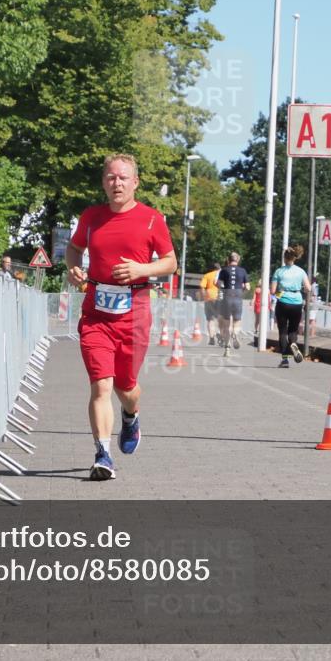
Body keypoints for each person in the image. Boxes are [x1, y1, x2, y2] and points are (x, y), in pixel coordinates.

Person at [66, 154, 176, 481]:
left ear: (135, 183)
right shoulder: (91, 217)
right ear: (104, 182)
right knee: (101, 385)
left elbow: (170, 263)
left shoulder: (152, 219)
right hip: (95, 313)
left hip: (134, 314)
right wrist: (73, 267)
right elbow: (74, 249)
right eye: (111, 178)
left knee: (126, 386)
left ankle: (131, 414)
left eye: (124, 178)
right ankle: (103, 455)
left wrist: (142, 268)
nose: (117, 183)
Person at [270, 245, 311, 368]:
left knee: (283, 331)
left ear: (284, 258)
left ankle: (285, 360)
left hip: (282, 302)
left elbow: (272, 291)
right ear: (294, 258)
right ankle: (293, 343)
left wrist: (280, 292)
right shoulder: (301, 271)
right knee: (293, 329)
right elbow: (308, 288)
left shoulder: (278, 271)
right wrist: (298, 289)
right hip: (297, 302)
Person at [217, 252, 250, 351]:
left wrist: (223, 289)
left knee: (227, 323)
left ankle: (227, 346)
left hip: (227, 297)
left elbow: (218, 284)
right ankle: (235, 334)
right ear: (238, 260)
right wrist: (242, 291)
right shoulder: (243, 271)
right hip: (238, 297)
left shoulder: (223, 270)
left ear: (228, 260)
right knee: (237, 321)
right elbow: (248, 287)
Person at [199, 261, 221, 345]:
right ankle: (220, 333)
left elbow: (202, 287)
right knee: (220, 318)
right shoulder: (223, 275)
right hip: (220, 298)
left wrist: (204, 297)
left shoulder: (207, 275)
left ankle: (212, 337)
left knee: (210, 319)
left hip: (209, 298)